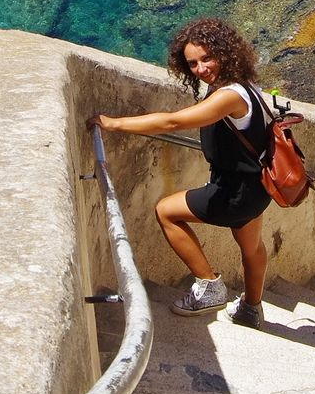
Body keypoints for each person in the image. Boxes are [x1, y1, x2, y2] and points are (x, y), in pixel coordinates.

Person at [96, 17, 272, 326]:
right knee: (252, 248)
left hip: (234, 193)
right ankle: (250, 309)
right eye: (192, 63)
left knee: (166, 211)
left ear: (224, 52)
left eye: (207, 58)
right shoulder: (247, 86)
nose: (201, 69)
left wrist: (115, 124)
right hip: (257, 188)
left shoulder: (229, 96)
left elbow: (173, 123)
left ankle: (209, 286)